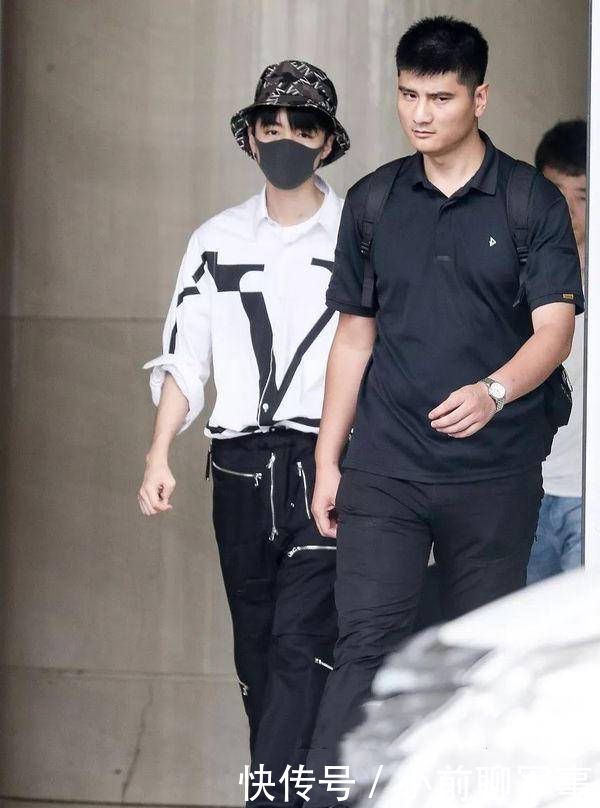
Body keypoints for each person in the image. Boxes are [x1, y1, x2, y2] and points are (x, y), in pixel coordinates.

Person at [302, 16, 584, 804]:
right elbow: (353, 339)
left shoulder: (528, 201)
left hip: (494, 475)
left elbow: (554, 331)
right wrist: (327, 460)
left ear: (479, 98)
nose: (420, 114)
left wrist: (494, 391)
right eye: (408, 95)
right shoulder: (373, 201)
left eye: (440, 98)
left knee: (479, 660)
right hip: (386, 467)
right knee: (365, 643)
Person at [138, 60, 349, 807]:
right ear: (251, 136)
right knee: (257, 659)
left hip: (327, 464)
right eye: (271, 126)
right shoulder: (215, 239)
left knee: (302, 647)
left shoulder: (359, 234)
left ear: (327, 142)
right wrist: (159, 452)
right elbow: (185, 358)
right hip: (238, 470)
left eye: (303, 127)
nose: (285, 139)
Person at [527, 120, 587, 583]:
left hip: (589, 494)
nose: (566, 210)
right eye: (555, 192)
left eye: (582, 196)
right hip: (526, 488)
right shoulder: (512, 271)